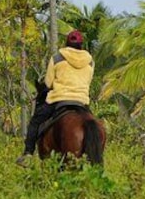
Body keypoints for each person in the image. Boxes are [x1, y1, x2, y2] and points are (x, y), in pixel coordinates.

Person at [16, 29, 95, 166]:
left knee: (35, 122)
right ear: (81, 45)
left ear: (66, 43)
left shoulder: (57, 57)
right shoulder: (90, 62)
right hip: (81, 101)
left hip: (59, 99)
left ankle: (28, 154)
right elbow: (88, 81)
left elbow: (48, 83)